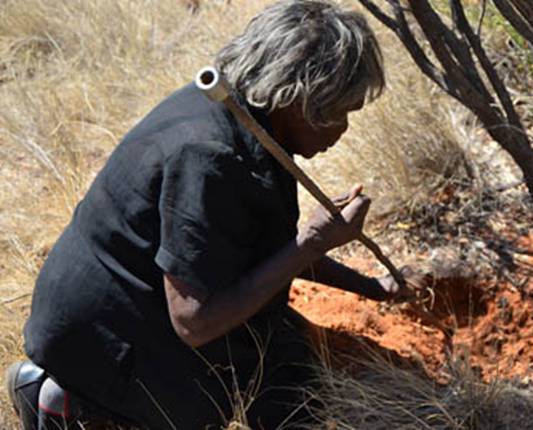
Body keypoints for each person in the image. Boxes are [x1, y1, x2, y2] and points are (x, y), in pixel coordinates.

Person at [6, 1, 409, 428]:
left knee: (289, 356)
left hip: (119, 311)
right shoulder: (211, 157)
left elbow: (262, 250)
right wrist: (311, 241)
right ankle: (68, 404)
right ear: (298, 98)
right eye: (339, 112)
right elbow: (194, 323)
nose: (343, 129)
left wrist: (371, 287)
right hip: (106, 338)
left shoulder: (237, 112)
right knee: (270, 390)